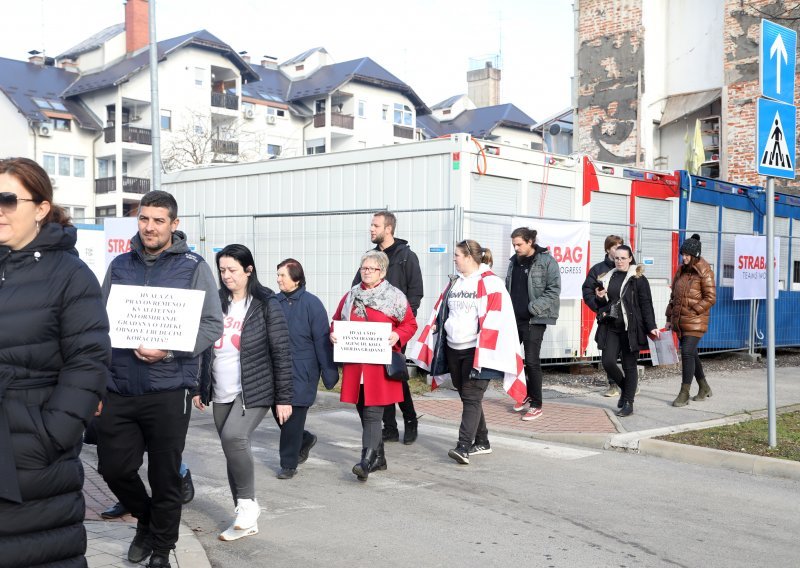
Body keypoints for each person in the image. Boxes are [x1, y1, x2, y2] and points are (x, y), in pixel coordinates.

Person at [97, 190, 223, 568]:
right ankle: (147, 521)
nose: (149, 227)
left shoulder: (193, 266)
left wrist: (168, 351)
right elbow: (101, 321)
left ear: (174, 224)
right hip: (119, 385)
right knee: (113, 468)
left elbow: (212, 324)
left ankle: (162, 550)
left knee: (165, 475)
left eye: (158, 220)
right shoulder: (120, 264)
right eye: (144, 219)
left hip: (168, 389)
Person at [0, 157, 110, 566]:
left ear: (41, 208)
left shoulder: (70, 274)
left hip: (33, 453)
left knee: (38, 550)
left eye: (8, 199)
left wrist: (52, 434)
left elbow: (89, 361)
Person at [194, 244, 293, 541]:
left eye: (232, 270)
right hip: (220, 388)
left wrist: (284, 397)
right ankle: (244, 516)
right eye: (222, 270)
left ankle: (249, 505)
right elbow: (203, 348)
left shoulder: (266, 304)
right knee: (231, 449)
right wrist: (200, 386)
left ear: (249, 270)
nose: (226, 276)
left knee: (234, 437)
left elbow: (281, 350)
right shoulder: (216, 303)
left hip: (253, 387)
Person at [415, 240, 525, 465]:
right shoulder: (455, 283)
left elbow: (499, 318)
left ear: (469, 257)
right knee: (467, 396)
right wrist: (436, 325)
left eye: (457, 255)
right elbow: (442, 309)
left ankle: (463, 446)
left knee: (472, 396)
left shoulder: (491, 283)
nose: (454, 259)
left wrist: (484, 345)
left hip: (478, 351)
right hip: (454, 349)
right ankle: (482, 441)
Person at [333, 250, 418, 481]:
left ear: (382, 271)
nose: (366, 272)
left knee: (372, 414)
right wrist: (334, 334)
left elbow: (410, 324)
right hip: (355, 365)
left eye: (371, 269)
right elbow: (337, 320)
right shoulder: (351, 295)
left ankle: (367, 460)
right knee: (362, 409)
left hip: (378, 367)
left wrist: (397, 335)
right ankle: (379, 457)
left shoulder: (395, 296)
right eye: (364, 268)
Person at [352, 211, 423, 445]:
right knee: (380, 377)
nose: (371, 229)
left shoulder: (406, 256)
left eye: (375, 225)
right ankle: (389, 427)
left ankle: (410, 420)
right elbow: (356, 288)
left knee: (396, 375)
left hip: (395, 330)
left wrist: (400, 321)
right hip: (370, 332)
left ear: (388, 229)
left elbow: (416, 291)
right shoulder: (370, 257)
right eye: (371, 225)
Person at [274, 258, 339, 480]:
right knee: (280, 415)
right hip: (277, 370)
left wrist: (329, 373)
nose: (278, 279)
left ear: (297, 279)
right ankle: (305, 439)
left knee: (292, 417)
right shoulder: (273, 302)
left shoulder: (312, 304)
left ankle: (288, 464)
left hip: (304, 370)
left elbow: (322, 341)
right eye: (278, 275)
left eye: (282, 275)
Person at [594, 245, 659, 417]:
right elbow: (604, 304)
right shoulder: (608, 277)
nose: (620, 261)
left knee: (630, 366)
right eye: (617, 258)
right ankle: (626, 390)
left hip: (631, 328)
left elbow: (646, 305)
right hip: (611, 327)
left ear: (630, 258)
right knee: (607, 362)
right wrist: (599, 299)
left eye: (623, 258)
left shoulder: (638, 278)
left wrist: (651, 325)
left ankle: (628, 402)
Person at [505, 227, 560, 421]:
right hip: (514, 319)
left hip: (534, 319)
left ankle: (537, 405)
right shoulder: (514, 262)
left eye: (519, 244)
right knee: (511, 358)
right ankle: (525, 393)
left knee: (532, 361)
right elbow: (508, 287)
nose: (516, 248)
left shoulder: (547, 262)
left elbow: (554, 290)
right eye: (514, 245)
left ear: (530, 242)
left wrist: (533, 308)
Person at [665, 234, 716, 407]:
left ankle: (684, 392)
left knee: (686, 352)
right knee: (691, 353)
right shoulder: (681, 270)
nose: (684, 257)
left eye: (687, 255)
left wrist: (694, 311)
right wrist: (669, 317)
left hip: (695, 320)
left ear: (695, 255)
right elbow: (674, 297)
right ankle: (704, 387)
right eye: (683, 254)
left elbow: (710, 298)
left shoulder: (705, 271)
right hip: (680, 320)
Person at [582, 234, 629, 397]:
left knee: (627, 354)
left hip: (626, 319)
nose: (618, 250)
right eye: (616, 246)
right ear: (608, 249)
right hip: (607, 319)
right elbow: (587, 291)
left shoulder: (630, 267)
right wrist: (598, 306)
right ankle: (613, 385)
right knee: (608, 355)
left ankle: (630, 384)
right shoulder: (598, 269)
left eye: (621, 245)